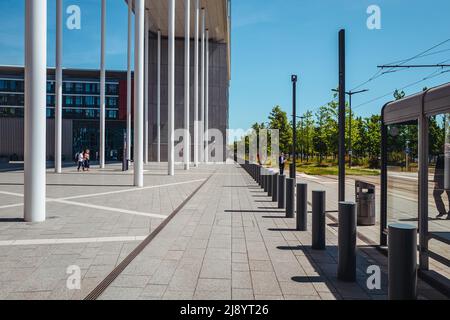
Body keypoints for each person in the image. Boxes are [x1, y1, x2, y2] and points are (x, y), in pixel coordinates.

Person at [434, 154, 450, 219]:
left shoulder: (440, 157)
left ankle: (444, 212)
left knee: (436, 194)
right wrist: (435, 180)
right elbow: (437, 169)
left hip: (444, 180)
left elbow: (437, 169)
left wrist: (436, 180)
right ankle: (442, 211)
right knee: (436, 194)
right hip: (441, 180)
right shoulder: (440, 157)